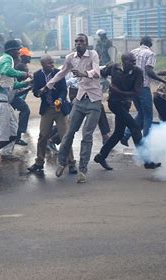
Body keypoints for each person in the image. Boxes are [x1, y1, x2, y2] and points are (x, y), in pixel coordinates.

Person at [41, 34, 102, 183]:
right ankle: (62, 163)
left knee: (87, 135)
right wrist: (47, 86)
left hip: (94, 100)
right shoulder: (71, 57)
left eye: (81, 41)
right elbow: (61, 73)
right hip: (80, 99)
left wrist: (83, 73)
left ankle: (82, 170)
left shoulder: (93, 54)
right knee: (69, 133)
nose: (78, 43)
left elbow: (97, 72)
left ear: (87, 43)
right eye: (76, 41)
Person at [94, 53, 161, 170]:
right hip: (114, 103)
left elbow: (136, 92)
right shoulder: (114, 67)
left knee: (118, 133)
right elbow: (101, 73)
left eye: (135, 61)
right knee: (135, 128)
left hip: (125, 104)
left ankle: (101, 156)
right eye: (131, 61)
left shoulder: (138, 72)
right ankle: (147, 161)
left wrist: (118, 91)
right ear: (124, 62)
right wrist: (103, 86)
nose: (134, 63)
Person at [0, 40, 31, 176]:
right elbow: (6, 71)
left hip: (4, 102)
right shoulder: (7, 59)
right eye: (18, 50)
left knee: (13, 133)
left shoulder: (8, 61)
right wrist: (24, 74)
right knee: (1, 139)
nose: (19, 53)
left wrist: (28, 83)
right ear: (11, 51)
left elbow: (13, 86)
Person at [27, 55, 77, 174]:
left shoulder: (58, 73)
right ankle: (39, 162)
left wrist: (60, 99)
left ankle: (71, 163)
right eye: (49, 63)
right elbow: (35, 92)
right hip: (47, 109)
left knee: (65, 136)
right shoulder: (38, 75)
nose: (52, 65)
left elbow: (64, 89)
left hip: (60, 109)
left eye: (52, 62)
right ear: (42, 64)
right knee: (43, 136)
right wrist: (39, 92)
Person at [122, 36, 166, 145]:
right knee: (148, 116)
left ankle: (125, 135)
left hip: (132, 88)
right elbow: (149, 71)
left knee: (142, 114)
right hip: (143, 87)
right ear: (150, 44)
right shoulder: (150, 54)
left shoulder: (132, 52)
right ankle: (146, 142)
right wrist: (163, 80)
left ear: (141, 42)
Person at [12, 47, 33, 146]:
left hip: (17, 92)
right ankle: (18, 135)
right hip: (16, 93)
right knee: (25, 110)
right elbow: (21, 82)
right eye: (28, 56)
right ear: (23, 56)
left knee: (15, 115)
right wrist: (30, 85)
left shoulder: (21, 65)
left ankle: (16, 136)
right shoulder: (22, 66)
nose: (30, 58)